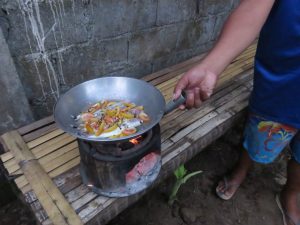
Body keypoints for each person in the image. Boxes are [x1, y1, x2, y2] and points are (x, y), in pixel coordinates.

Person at [173, 0, 300, 224]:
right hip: (284, 77)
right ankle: (242, 168)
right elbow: (254, 7)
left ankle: (291, 192)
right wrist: (211, 66)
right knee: (262, 129)